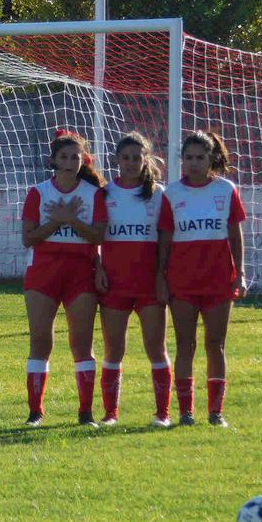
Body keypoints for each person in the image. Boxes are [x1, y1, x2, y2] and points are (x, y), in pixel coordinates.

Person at [157, 130, 246, 428]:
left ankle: (216, 412)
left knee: (215, 344)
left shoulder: (226, 190)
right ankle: (185, 412)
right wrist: (161, 276)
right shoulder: (171, 193)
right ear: (181, 160)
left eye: (201, 157)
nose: (194, 163)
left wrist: (240, 275)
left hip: (219, 279)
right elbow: (165, 241)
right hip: (182, 281)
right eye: (189, 158)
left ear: (212, 159)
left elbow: (235, 235)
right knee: (185, 344)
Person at [21, 130, 107, 427]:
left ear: (84, 160)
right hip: (43, 272)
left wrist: (70, 219)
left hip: (80, 273)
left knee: (82, 343)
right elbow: (28, 239)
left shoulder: (93, 193)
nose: (70, 162)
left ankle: (85, 413)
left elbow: (98, 236)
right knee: (41, 341)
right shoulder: (39, 192)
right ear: (53, 161)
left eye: (75, 156)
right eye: (64, 157)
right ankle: (35, 412)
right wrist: (58, 220)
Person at [94, 132, 172, 428]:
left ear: (146, 160)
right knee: (114, 348)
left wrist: (162, 275)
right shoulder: (104, 193)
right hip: (115, 282)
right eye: (125, 157)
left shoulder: (159, 194)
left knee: (156, 347)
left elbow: (165, 239)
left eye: (136, 157)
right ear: (116, 160)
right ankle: (110, 414)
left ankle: (162, 414)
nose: (130, 163)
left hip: (149, 283)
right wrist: (98, 267)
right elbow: (96, 238)